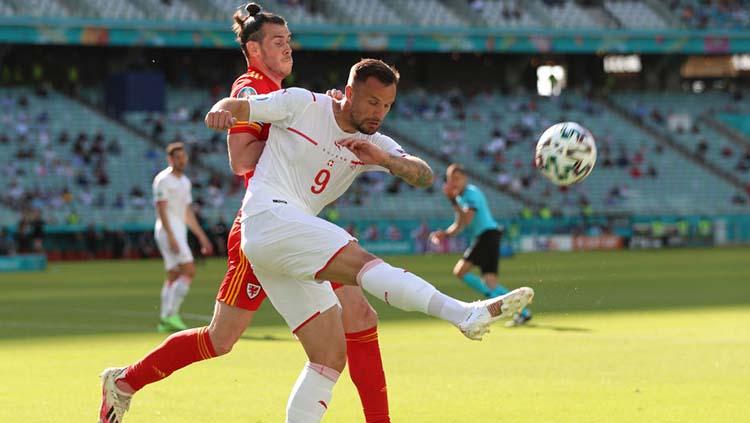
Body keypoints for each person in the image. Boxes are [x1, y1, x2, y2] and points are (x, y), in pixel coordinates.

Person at [99, 5, 392, 423]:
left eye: (289, 40)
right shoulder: (251, 87)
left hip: (292, 223)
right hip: (267, 223)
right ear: (254, 49)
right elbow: (241, 159)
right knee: (222, 339)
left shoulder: (276, 89)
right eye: (278, 42)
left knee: (352, 319)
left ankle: (124, 382)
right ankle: (125, 381)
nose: (288, 47)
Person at [202, 58, 533, 422]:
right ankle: (463, 313)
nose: (380, 113)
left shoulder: (373, 141)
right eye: (373, 102)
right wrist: (220, 110)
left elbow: (424, 175)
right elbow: (238, 105)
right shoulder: (302, 103)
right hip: (269, 215)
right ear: (348, 93)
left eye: (387, 105)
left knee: (328, 357)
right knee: (361, 263)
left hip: (277, 244)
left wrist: (385, 160)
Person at [429, 164, 532, 326]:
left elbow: (466, 220)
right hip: (490, 235)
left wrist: (452, 200)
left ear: (465, 179)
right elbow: (460, 223)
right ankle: (524, 312)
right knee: (490, 282)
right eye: (450, 180)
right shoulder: (464, 196)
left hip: (486, 236)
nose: (454, 182)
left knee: (460, 271)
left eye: (457, 179)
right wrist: (446, 234)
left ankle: (492, 302)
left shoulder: (471, 194)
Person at [151, 142, 214, 333]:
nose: (181, 160)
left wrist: (201, 236)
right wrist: (171, 236)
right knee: (189, 270)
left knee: (174, 274)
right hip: (168, 231)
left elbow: (187, 212)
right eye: (177, 157)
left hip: (178, 231)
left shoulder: (185, 182)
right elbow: (161, 209)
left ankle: (164, 318)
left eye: (183, 157)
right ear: (170, 159)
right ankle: (172, 314)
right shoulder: (163, 180)